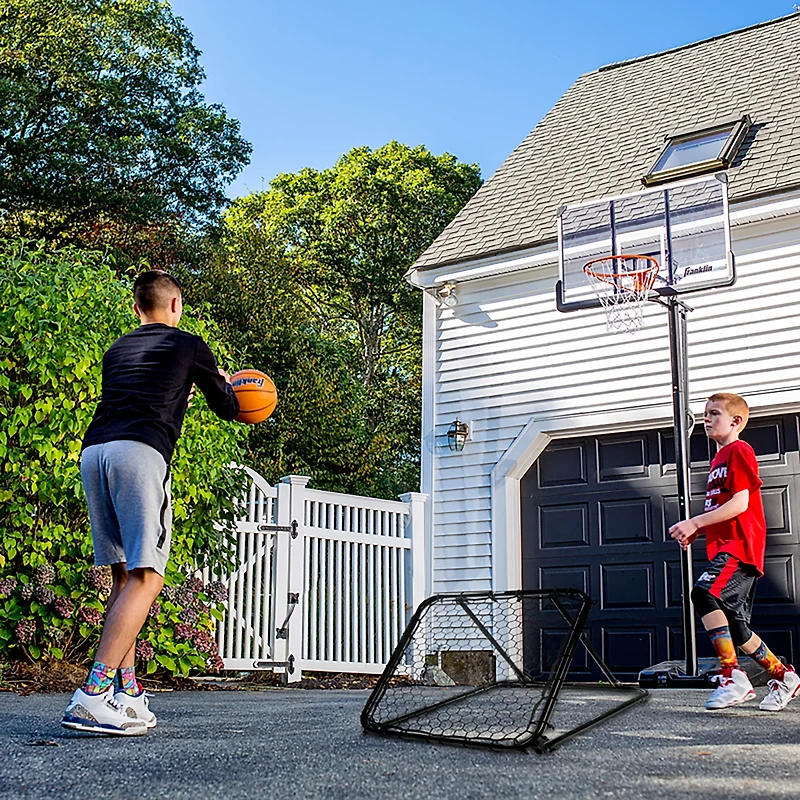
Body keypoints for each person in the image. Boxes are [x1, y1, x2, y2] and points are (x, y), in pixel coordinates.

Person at [61, 270, 240, 736]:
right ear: (175, 305)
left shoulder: (116, 350)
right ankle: (92, 695)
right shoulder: (189, 345)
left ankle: (128, 692)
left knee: (124, 575)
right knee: (148, 577)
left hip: (95, 452)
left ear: (137, 308)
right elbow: (230, 408)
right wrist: (223, 382)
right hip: (140, 454)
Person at [670, 392, 799, 711]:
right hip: (728, 549)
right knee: (738, 627)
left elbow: (740, 503)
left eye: (714, 413)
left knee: (702, 594)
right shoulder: (718, 460)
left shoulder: (738, 450)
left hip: (740, 547)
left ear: (736, 420)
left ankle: (732, 676)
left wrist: (694, 521)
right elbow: (723, 506)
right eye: (705, 414)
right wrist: (699, 529)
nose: (706, 419)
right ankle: (785, 676)